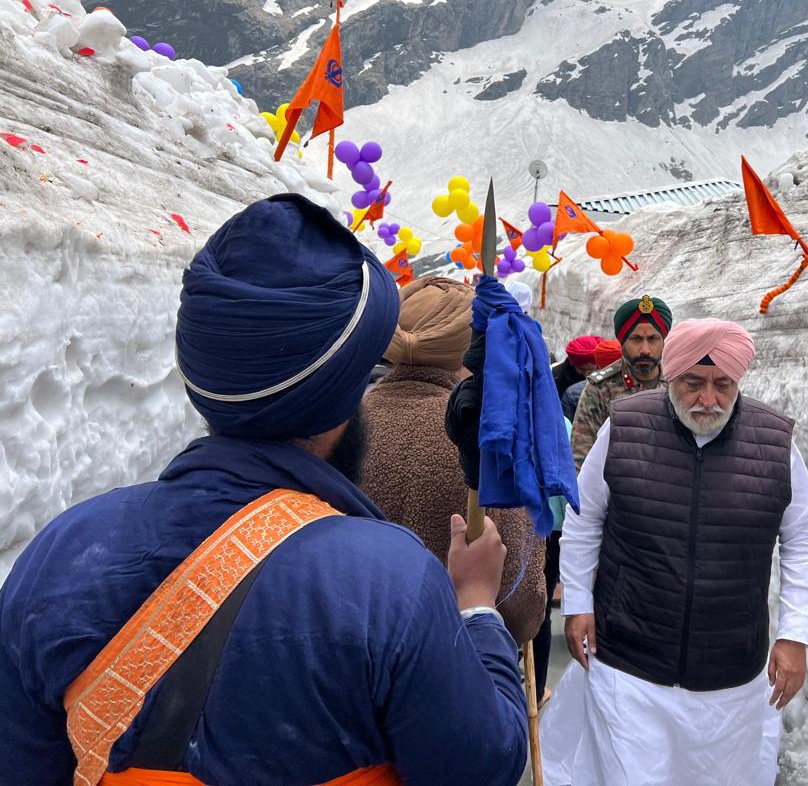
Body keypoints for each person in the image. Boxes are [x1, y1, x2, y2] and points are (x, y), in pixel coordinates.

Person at [0, 195, 527, 786]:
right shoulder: (392, 581)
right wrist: (478, 605)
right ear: (340, 398)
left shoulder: (61, 548)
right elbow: (483, 768)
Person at [543, 318, 808, 786]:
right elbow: (584, 518)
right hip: (629, 660)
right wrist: (577, 604)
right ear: (673, 375)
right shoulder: (625, 427)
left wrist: (795, 635)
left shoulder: (776, 444)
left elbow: (802, 543)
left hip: (729, 674)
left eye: (723, 384)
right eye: (694, 383)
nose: (708, 399)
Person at [361, 276, 546, 644]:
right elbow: (520, 604)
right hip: (457, 663)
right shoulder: (490, 439)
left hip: (345, 659)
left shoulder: (338, 425)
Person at [569, 295, 672, 468]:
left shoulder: (677, 382)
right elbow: (581, 457)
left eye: (653, 339)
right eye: (636, 339)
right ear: (622, 343)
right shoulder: (601, 388)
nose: (645, 349)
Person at [553, 335, 603, 401]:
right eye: (582, 369)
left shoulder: (603, 372)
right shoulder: (557, 377)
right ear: (572, 364)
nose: (586, 374)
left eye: (591, 369)